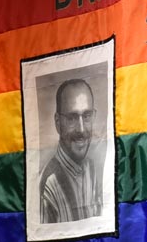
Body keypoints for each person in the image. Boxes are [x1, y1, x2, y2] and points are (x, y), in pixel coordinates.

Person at [36, 78, 104, 224]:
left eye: (86, 116)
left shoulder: (90, 168)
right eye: (72, 118)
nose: (81, 129)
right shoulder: (48, 185)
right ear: (58, 123)